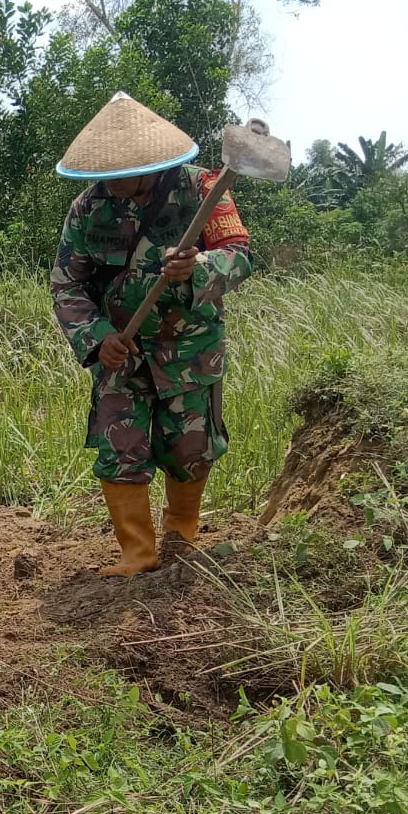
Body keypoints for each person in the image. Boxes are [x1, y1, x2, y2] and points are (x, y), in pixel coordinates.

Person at [50, 91, 253, 576]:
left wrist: (197, 268)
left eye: (121, 176)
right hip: (122, 353)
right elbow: (66, 284)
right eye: (105, 177)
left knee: (190, 448)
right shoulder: (87, 209)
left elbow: (240, 257)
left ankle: (181, 535)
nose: (112, 186)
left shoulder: (206, 189)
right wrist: (99, 339)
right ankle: (137, 553)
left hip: (189, 351)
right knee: (120, 445)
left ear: (151, 165)